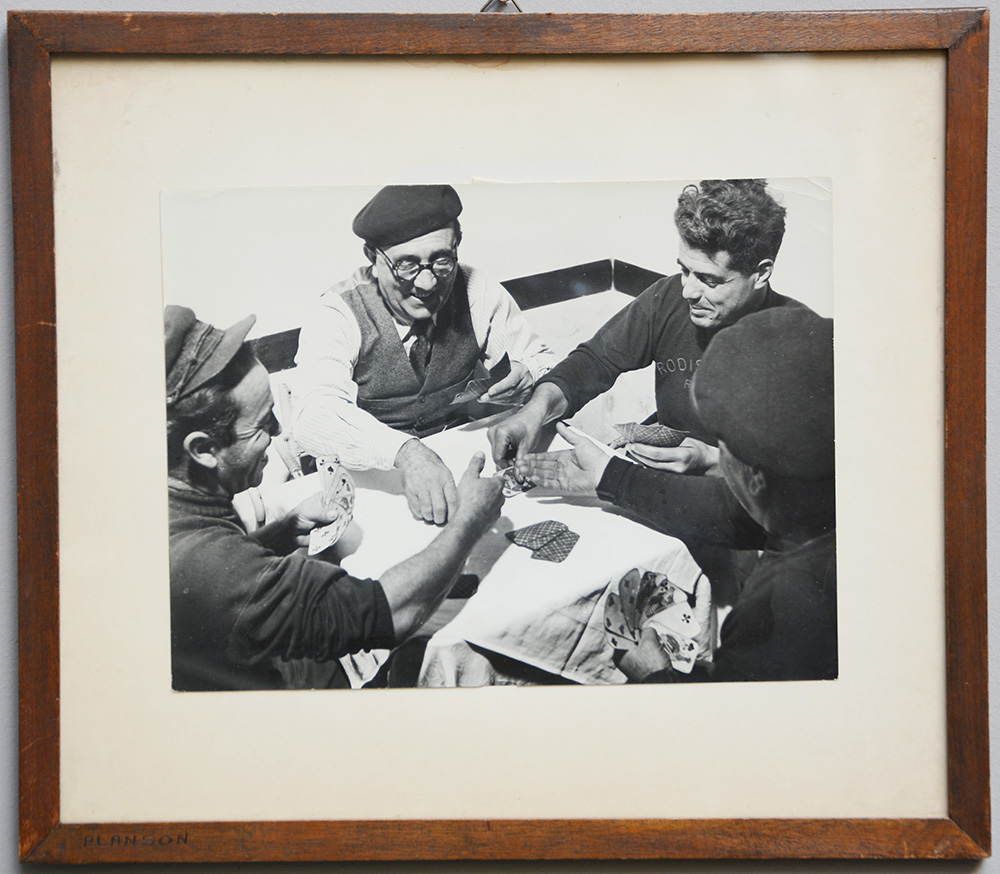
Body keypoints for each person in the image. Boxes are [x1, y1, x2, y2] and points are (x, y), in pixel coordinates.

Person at [165, 305, 504, 691]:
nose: (277, 431)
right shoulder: (204, 563)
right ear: (203, 449)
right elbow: (391, 613)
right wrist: (470, 519)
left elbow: (225, 586)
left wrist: (280, 534)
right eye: (261, 426)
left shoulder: (175, 502)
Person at [523, 308, 837, 683]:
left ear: (756, 478)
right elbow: (736, 513)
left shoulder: (773, 611)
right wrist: (610, 476)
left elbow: (734, 712)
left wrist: (655, 675)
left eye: (721, 445)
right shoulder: (818, 502)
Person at [488, 179, 806, 477]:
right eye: (685, 271)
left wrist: (712, 460)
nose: (688, 292)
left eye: (709, 280)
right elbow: (594, 362)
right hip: (662, 479)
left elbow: (803, 478)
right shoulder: (668, 296)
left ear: (761, 273)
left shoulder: (805, 343)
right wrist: (533, 412)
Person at [293, 184, 553, 526]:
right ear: (372, 257)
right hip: (365, 480)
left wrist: (529, 372)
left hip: (448, 462)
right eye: (407, 265)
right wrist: (406, 452)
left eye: (442, 260)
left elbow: (545, 361)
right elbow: (314, 415)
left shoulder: (477, 289)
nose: (428, 284)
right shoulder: (337, 313)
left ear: (457, 243)